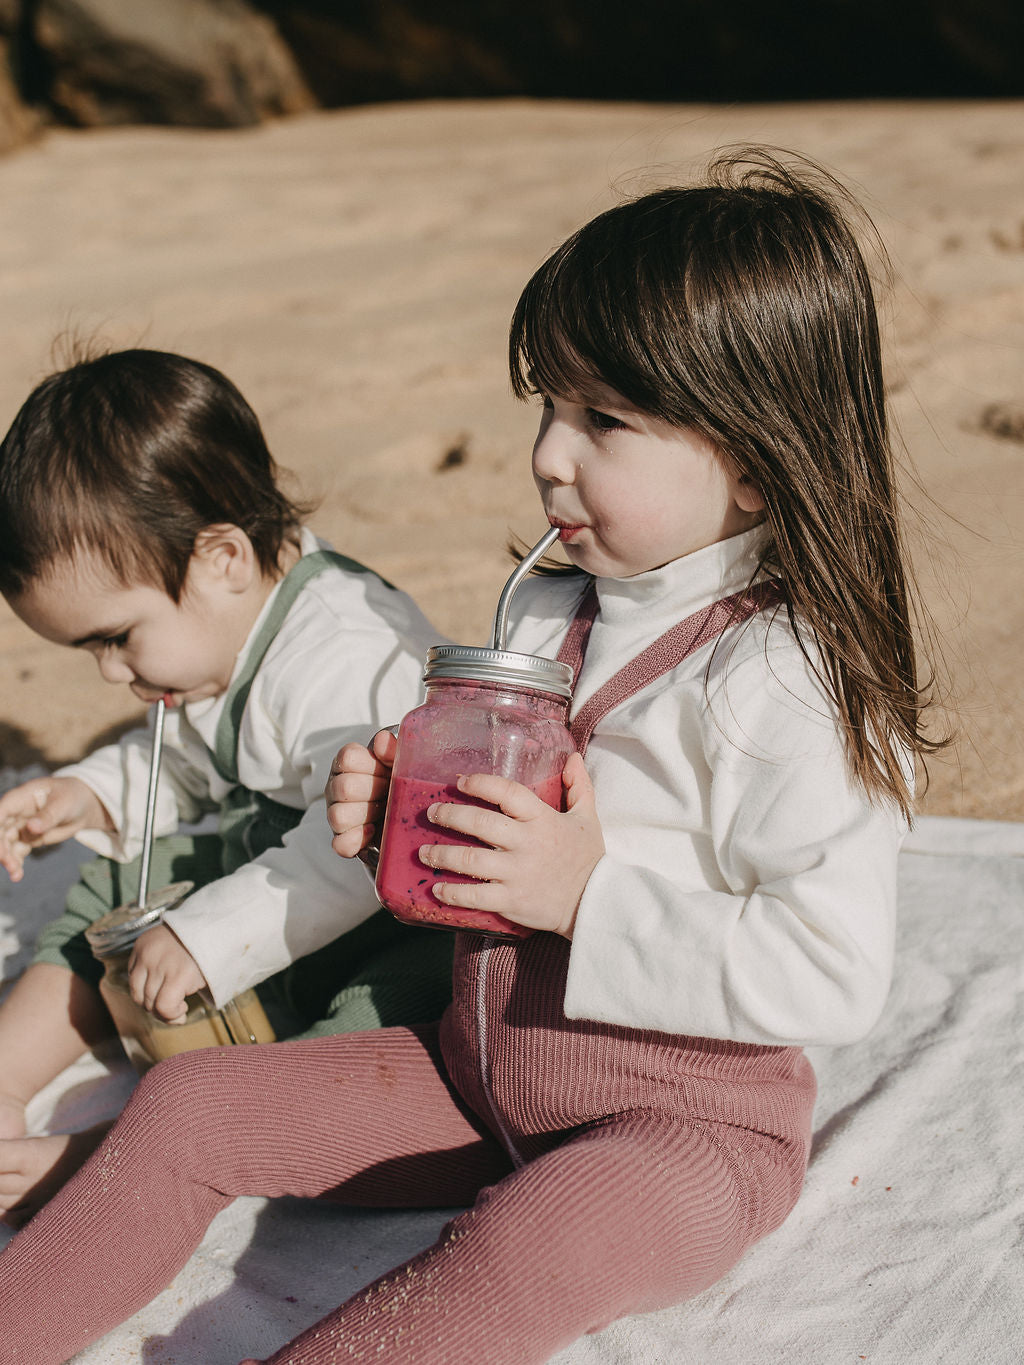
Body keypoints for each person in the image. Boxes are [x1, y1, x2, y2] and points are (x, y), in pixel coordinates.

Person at [0, 149, 944, 1365]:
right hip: (476, 1076)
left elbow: (831, 973)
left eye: (604, 421)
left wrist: (583, 893)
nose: (550, 453)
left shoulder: (784, 681)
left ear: (755, 464)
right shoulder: (545, 612)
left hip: (679, 1129)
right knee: (187, 1102)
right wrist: (390, 828)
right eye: (549, 406)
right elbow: (471, 875)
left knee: (527, 1246)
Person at [0, 348, 453, 1227]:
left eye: (116, 637)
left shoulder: (344, 653)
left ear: (222, 559)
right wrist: (90, 794)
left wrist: (210, 934)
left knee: (383, 1031)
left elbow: (363, 844)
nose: (109, 672)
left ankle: (116, 1158)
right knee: (109, 888)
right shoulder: (215, 636)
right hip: (271, 871)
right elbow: (188, 760)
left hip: (386, 912)